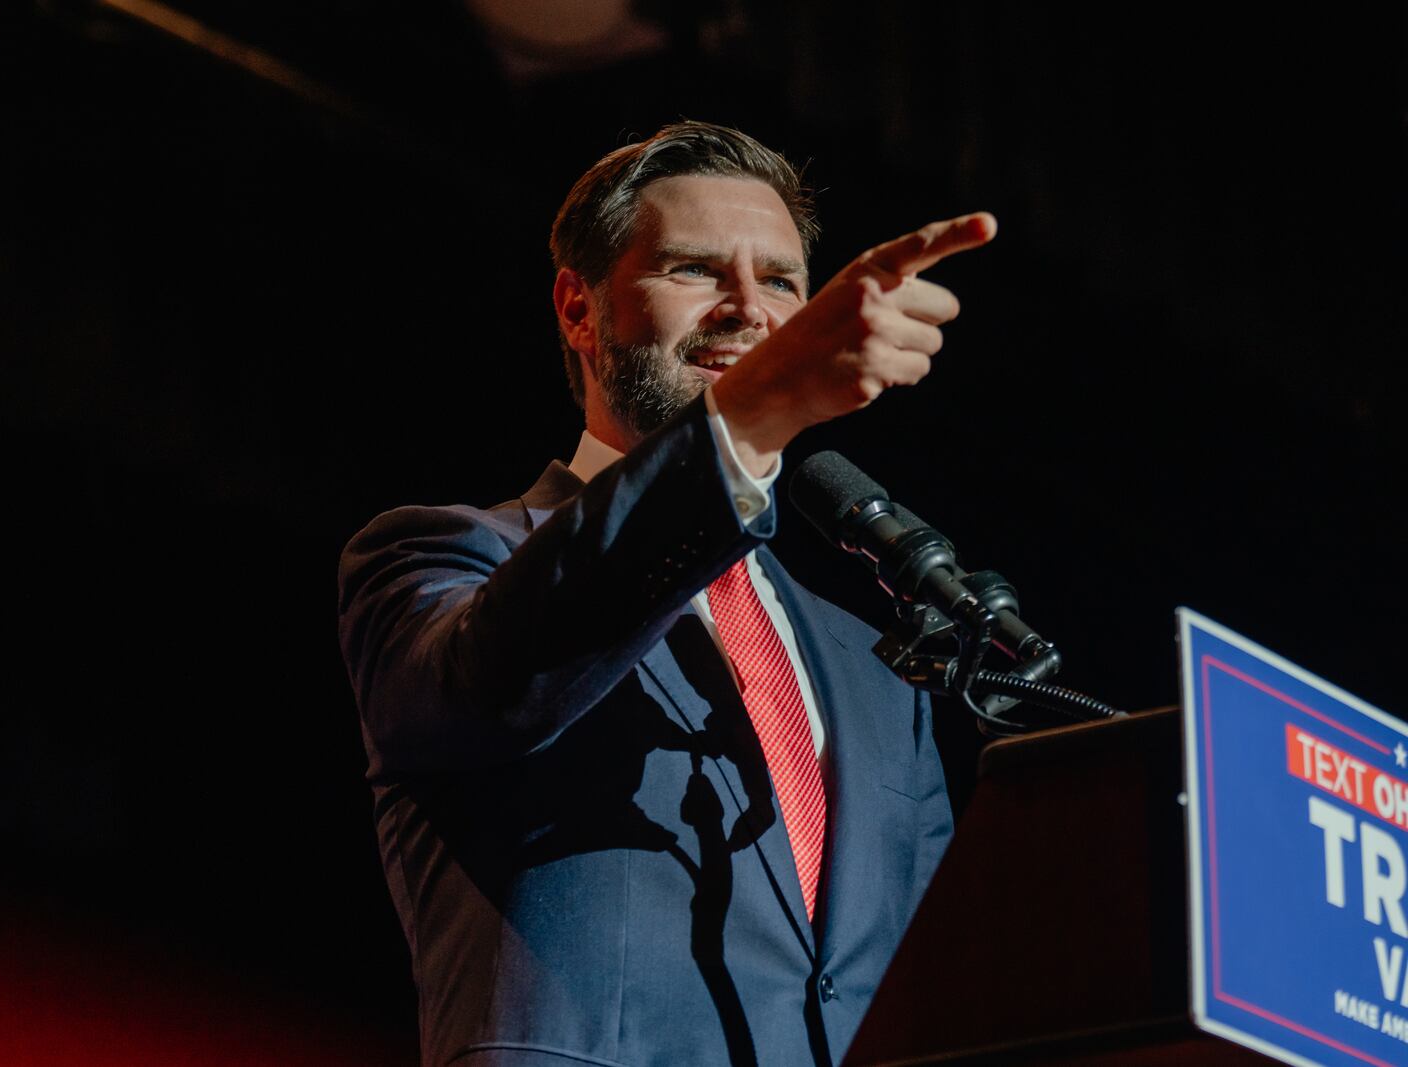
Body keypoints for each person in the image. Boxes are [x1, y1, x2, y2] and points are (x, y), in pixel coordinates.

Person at [338, 121, 995, 1067]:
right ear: (579, 308)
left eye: (780, 282)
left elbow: (926, 983)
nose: (748, 309)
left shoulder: (878, 675)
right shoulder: (444, 557)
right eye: (695, 270)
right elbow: (494, 681)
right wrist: (750, 419)